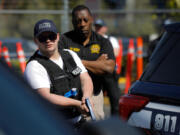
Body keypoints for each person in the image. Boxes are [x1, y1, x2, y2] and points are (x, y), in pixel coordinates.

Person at [24, 19, 93, 123]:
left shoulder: (70, 55)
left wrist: (86, 98)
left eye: (51, 36)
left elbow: (85, 78)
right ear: (36, 40)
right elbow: (45, 96)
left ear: (58, 37)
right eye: (42, 38)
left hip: (79, 121)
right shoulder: (34, 66)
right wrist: (76, 103)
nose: (48, 40)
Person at [59, 5, 116, 119]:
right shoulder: (64, 40)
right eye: (78, 21)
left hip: (94, 95)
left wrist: (76, 61)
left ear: (92, 20)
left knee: (94, 129)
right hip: (69, 95)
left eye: (85, 20)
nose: (82, 24)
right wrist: (97, 63)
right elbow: (62, 65)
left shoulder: (102, 42)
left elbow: (108, 68)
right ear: (73, 22)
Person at [94, 19, 121, 115]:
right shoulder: (92, 40)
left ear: (105, 28)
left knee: (114, 98)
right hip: (96, 72)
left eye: (100, 27)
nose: (98, 29)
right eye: (96, 26)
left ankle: (115, 120)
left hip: (109, 73)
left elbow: (115, 53)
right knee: (95, 98)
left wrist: (99, 57)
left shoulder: (111, 39)